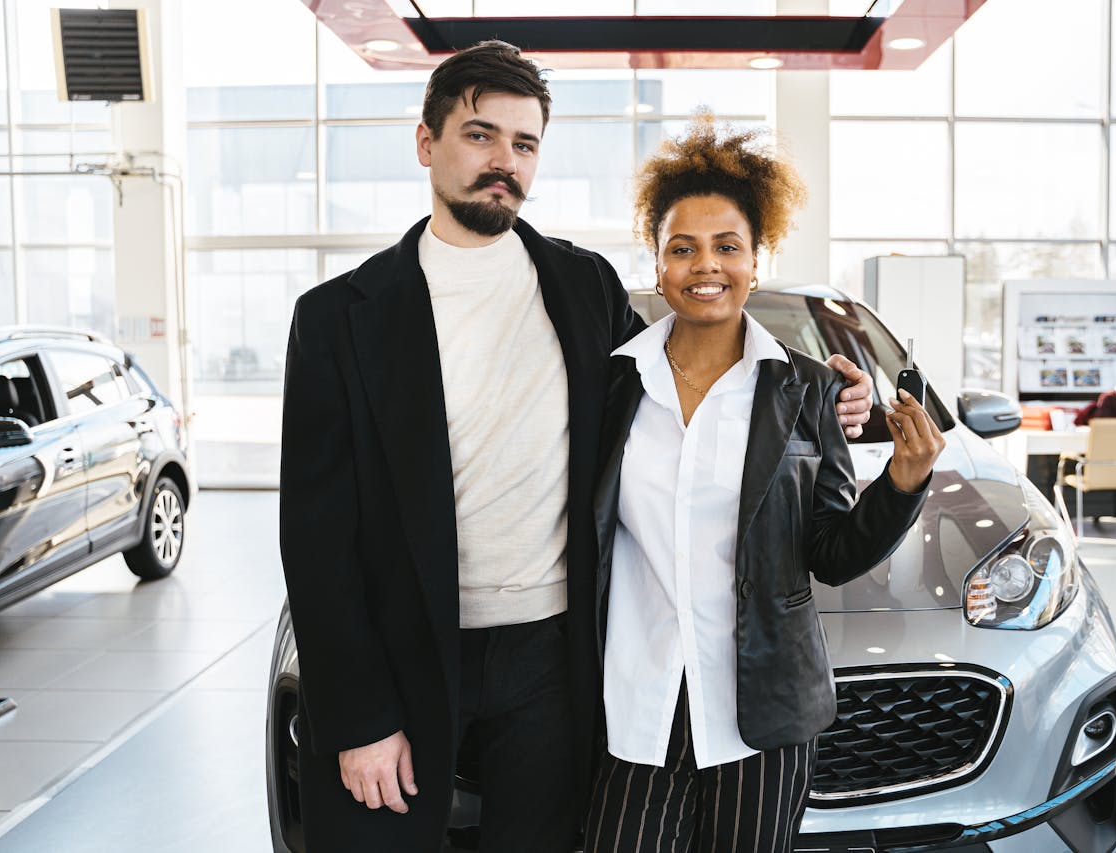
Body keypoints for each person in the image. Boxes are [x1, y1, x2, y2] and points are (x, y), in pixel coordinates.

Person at [278, 42, 876, 852]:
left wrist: (822, 391)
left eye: (524, 144)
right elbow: (316, 537)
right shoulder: (337, 318)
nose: (504, 161)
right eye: (480, 135)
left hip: (551, 660)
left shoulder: (583, 286)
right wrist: (360, 717)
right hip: (406, 648)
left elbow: (695, 361)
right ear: (426, 143)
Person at [584, 116, 945, 853]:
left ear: (756, 259)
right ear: (657, 264)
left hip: (763, 713)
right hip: (635, 701)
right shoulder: (614, 385)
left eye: (727, 246)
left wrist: (901, 485)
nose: (705, 266)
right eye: (682, 247)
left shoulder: (807, 390)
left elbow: (832, 553)